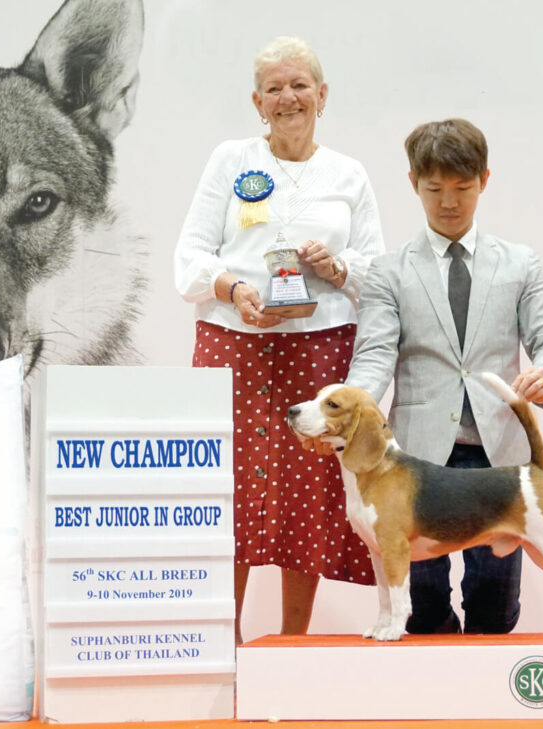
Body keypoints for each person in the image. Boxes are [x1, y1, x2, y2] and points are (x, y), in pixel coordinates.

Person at [174, 36, 383, 643]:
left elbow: (378, 271)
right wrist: (233, 289)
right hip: (234, 342)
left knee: (309, 492)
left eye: (299, 85)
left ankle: (294, 646)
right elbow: (189, 256)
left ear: (322, 94)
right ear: (257, 102)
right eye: (273, 88)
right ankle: (226, 646)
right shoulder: (230, 160)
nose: (287, 97)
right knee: (229, 487)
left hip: (319, 347)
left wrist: (337, 267)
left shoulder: (349, 174)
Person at [344, 118, 543, 634]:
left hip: (499, 458)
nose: (449, 202)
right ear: (413, 183)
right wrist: (350, 408)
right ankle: (441, 673)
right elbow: (374, 354)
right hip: (416, 461)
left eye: (463, 188)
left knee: (495, 609)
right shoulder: (388, 271)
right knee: (422, 610)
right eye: (434, 189)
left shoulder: (520, 264)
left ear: (484, 181)